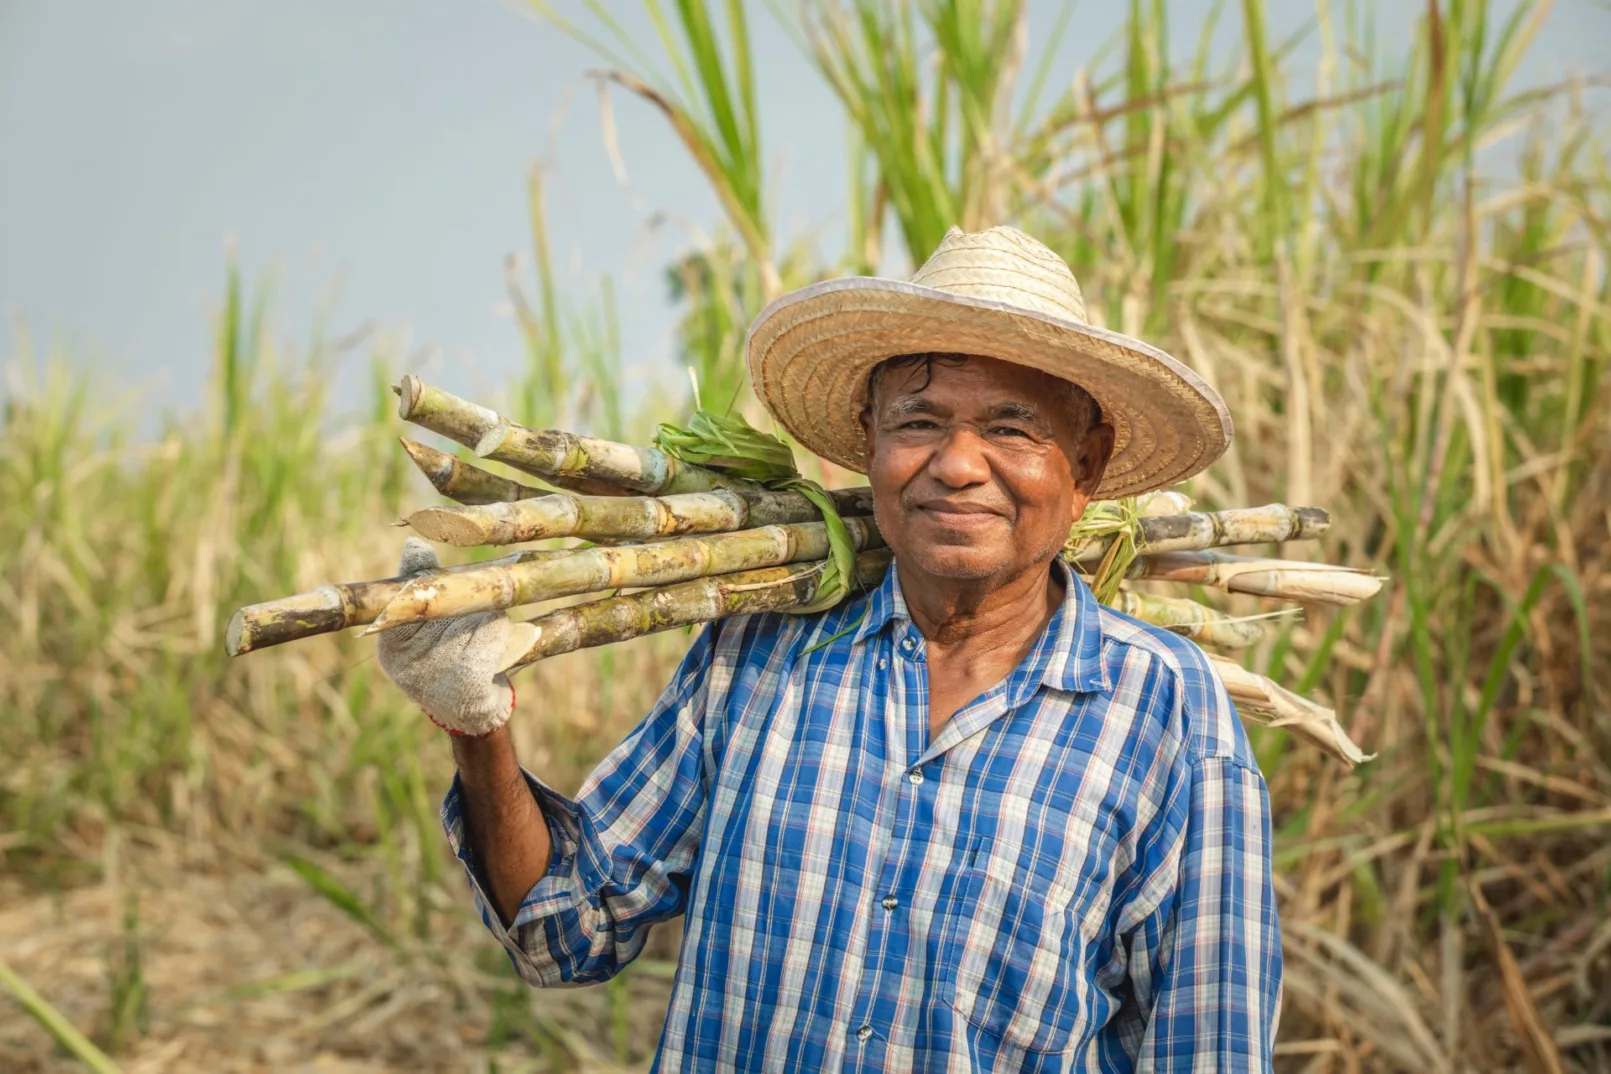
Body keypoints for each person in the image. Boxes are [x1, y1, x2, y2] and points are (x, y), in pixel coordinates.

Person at [378, 226, 1281, 1071]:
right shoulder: (757, 653)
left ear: (1084, 467)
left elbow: (1208, 1045)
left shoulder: (1167, 712)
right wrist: (476, 726)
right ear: (870, 446)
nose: (958, 464)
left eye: (1011, 427)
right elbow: (563, 931)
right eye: (919, 422)